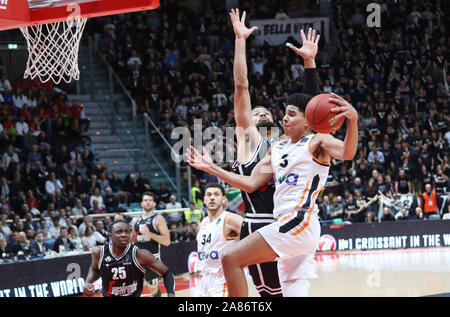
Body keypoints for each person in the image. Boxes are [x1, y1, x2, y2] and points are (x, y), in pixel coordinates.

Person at [186, 92, 358, 296]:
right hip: (286, 225)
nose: (285, 118)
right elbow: (250, 184)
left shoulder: (317, 141)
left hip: (299, 221)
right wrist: (212, 168)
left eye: (292, 114)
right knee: (289, 291)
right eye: (285, 113)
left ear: (307, 121)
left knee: (230, 258)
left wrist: (353, 120)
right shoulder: (277, 148)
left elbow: (347, 152)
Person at [225, 9, 321, 297]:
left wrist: (310, 64)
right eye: (254, 111)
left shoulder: (286, 144)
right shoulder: (250, 141)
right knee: (271, 295)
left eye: (266, 110)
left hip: (290, 224)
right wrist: (240, 41)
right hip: (262, 226)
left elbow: (311, 114)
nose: (261, 111)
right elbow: (241, 86)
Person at [83, 220, 175, 297]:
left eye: (127, 231)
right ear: (110, 236)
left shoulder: (140, 254)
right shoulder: (99, 252)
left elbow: (167, 273)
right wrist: (88, 282)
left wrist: (171, 294)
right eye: (119, 232)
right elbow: (94, 270)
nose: (124, 235)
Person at [194, 183, 243, 297]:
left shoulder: (231, 219)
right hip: (205, 279)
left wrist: (239, 262)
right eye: (209, 195)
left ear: (223, 199)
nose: (212, 197)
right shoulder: (203, 223)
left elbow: (254, 238)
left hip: (223, 279)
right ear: (204, 200)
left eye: (216, 194)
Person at [131, 192, 171, 297]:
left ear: (154, 204)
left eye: (150, 200)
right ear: (141, 203)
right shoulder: (135, 220)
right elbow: (132, 239)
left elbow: (167, 241)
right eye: (145, 200)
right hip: (137, 259)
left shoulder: (159, 219)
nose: (148, 202)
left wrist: (149, 234)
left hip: (152, 260)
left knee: (152, 290)